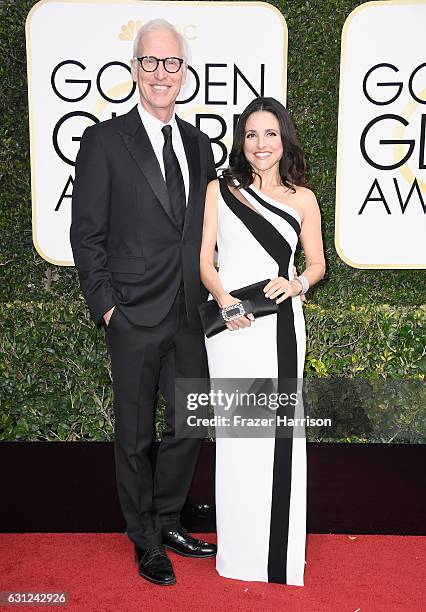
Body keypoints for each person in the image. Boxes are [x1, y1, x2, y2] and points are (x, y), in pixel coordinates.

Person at [70, 19, 217, 586]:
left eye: (172, 64)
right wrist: (107, 306)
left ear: (185, 73)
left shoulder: (201, 145)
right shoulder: (105, 141)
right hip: (131, 314)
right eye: (151, 63)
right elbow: (87, 233)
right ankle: (145, 539)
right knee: (134, 435)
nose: (162, 74)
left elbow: (210, 228)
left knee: (189, 424)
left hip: (190, 313)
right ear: (135, 69)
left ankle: (169, 516)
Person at [200, 97, 326, 585]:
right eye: (251, 135)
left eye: (269, 134)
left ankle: (278, 556)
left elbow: (316, 264)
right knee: (236, 441)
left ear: (284, 138)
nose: (260, 144)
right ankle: (237, 556)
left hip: (280, 330)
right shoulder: (220, 189)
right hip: (231, 328)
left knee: (278, 440)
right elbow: (204, 261)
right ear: (241, 141)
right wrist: (226, 301)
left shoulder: (303, 199)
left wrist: (297, 284)